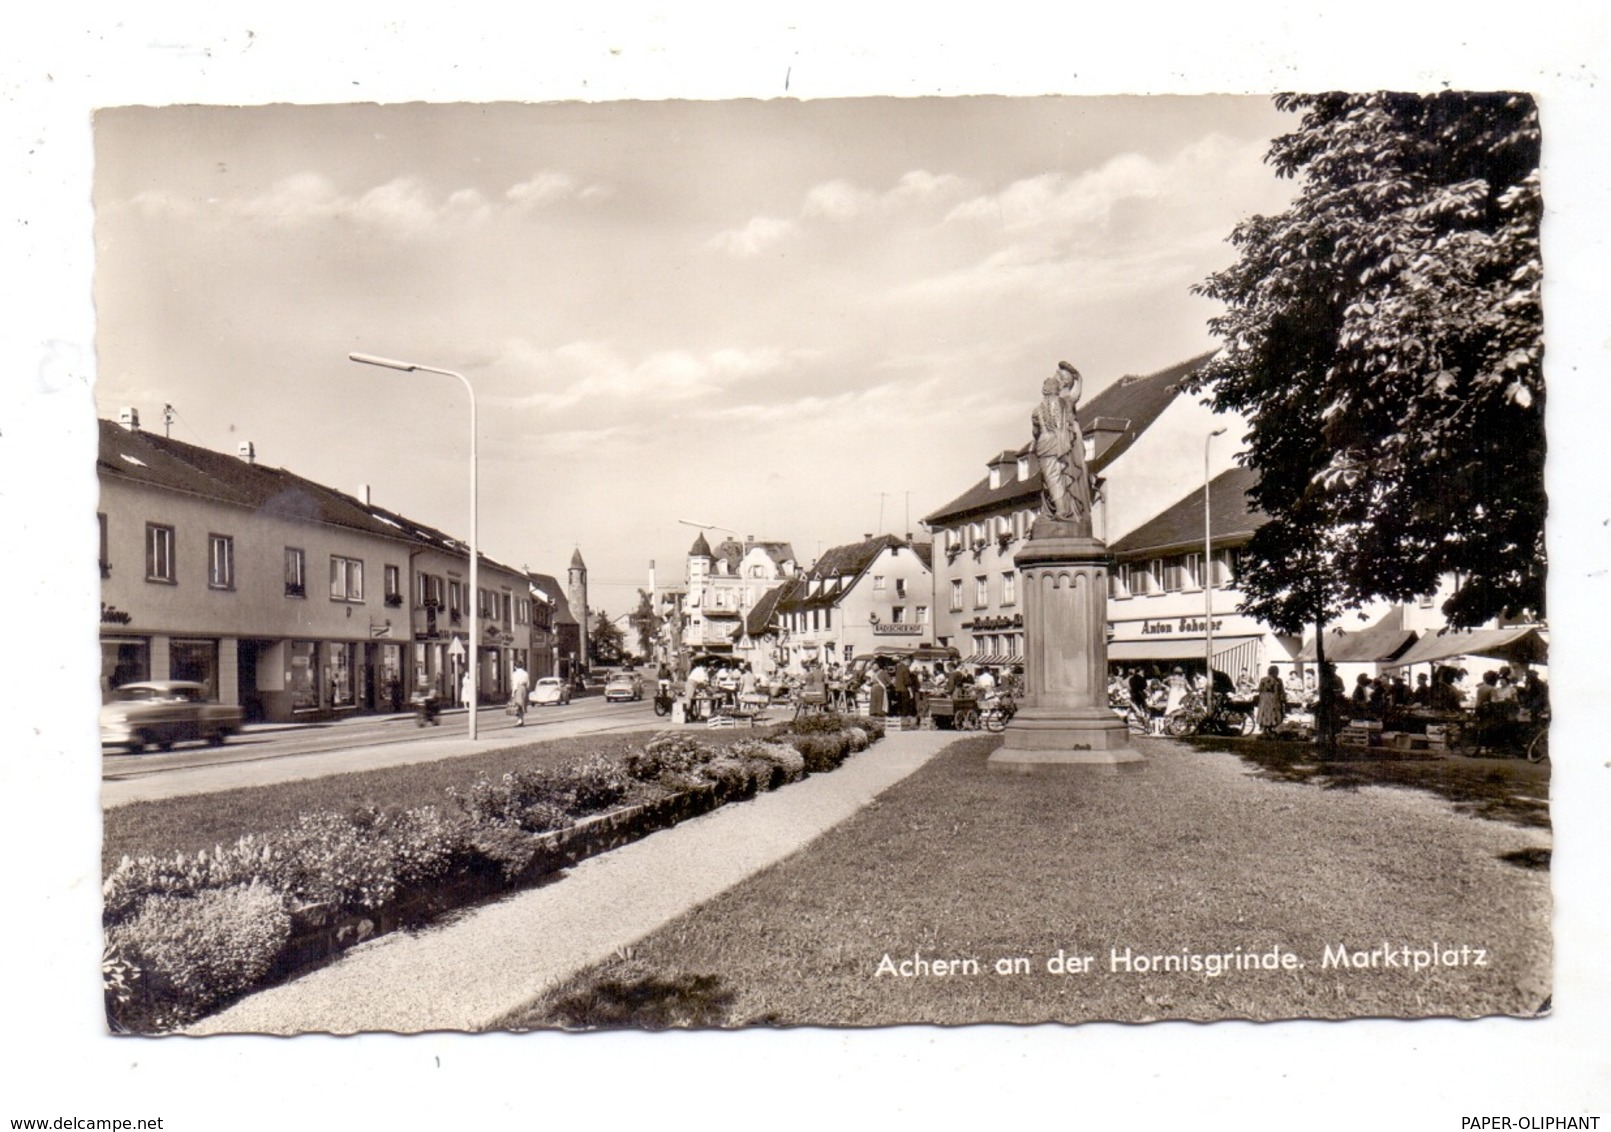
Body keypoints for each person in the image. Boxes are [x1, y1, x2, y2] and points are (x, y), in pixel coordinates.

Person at [1030, 361, 1095, 534]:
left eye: (1057, 376)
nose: (1054, 377)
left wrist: (1078, 376)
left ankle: (1065, 510)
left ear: (1064, 382)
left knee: (1062, 476)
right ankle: (1058, 510)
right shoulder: (1058, 403)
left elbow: (1036, 431)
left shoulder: (1064, 401)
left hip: (1068, 444)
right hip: (1061, 444)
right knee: (1055, 478)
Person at [1256, 665, 1286, 734]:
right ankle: (1271, 728)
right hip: (1273, 699)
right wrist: (1282, 699)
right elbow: (1281, 691)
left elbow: (1260, 689)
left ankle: (1265, 728)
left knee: (1265, 714)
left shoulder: (1263, 679)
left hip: (1264, 699)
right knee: (1273, 714)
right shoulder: (1278, 680)